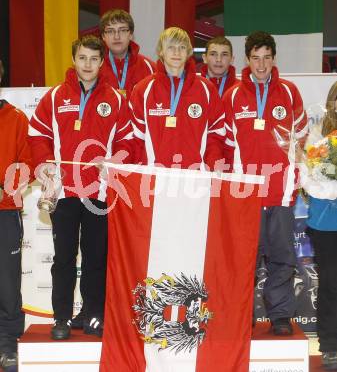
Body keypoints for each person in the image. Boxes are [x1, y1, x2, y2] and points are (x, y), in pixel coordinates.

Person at [28, 35, 133, 340]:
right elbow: (37, 134)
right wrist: (44, 165)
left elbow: (130, 142)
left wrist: (112, 161)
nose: (88, 64)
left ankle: (93, 313)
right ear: (73, 59)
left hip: (99, 193)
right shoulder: (55, 96)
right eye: (82, 58)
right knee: (63, 258)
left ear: (102, 62)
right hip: (64, 193)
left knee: (96, 257)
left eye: (94, 59)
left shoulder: (115, 99)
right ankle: (60, 318)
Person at [223, 31, 308, 335]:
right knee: (245, 257)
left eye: (267, 58)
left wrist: (295, 177)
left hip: (281, 191)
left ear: (274, 58)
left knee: (282, 257)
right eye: (255, 58)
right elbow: (223, 142)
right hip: (245, 193)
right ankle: (242, 312)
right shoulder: (233, 95)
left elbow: (300, 138)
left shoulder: (289, 92)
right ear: (247, 59)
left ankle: (281, 315)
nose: (261, 65)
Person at [129, 26, 234, 169]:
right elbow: (136, 138)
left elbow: (215, 134)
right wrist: (141, 175)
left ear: (189, 52)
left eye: (182, 47)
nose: (177, 52)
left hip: (195, 181)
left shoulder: (206, 89)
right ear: (161, 51)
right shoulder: (143, 89)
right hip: (155, 180)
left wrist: (213, 164)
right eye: (171, 47)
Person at [0, 60, 32, 372]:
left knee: (7, 283)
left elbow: (27, 163)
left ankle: (7, 343)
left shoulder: (17, 118)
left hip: (5, 213)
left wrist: (5, 188)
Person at [305, 81, 337, 370]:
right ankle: (329, 344)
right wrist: (328, 189)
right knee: (329, 283)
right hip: (326, 220)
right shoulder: (318, 134)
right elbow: (307, 173)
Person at [99, 9, 156, 99]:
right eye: (110, 31)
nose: (116, 36)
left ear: (131, 34)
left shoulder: (150, 68)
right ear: (103, 36)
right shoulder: (94, 66)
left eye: (122, 30)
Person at [200, 36, 239, 100]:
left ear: (232, 59)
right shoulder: (193, 87)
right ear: (204, 58)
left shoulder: (241, 89)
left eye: (224, 54)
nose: (219, 59)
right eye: (213, 54)